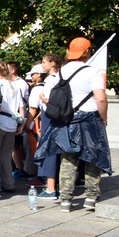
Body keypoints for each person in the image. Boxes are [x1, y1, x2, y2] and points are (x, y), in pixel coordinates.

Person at [35, 37, 111, 212]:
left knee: (68, 159)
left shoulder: (59, 73)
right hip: (90, 120)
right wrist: (104, 118)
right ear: (86, 52)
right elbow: (101, 98)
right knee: (93, 158)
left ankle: (66, 201)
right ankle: (91, 198)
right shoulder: (93, 72)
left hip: (66, 120)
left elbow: (47, 99)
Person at [0, 61, 25, 194]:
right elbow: (21, 107)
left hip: (0, 122)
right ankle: (9, 183)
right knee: (6, 156)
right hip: (12, 124)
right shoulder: (15, 86)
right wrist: (21, 124)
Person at [34, 54, 63, 199]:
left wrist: (42, 98)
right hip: (58, 118)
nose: (42, 65)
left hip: (49, 116)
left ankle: (50, 188)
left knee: (49, 150)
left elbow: (49, 100)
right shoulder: (62, 77)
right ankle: (56, 185)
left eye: (44, 62)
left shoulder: (51, 80)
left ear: (52, 64)